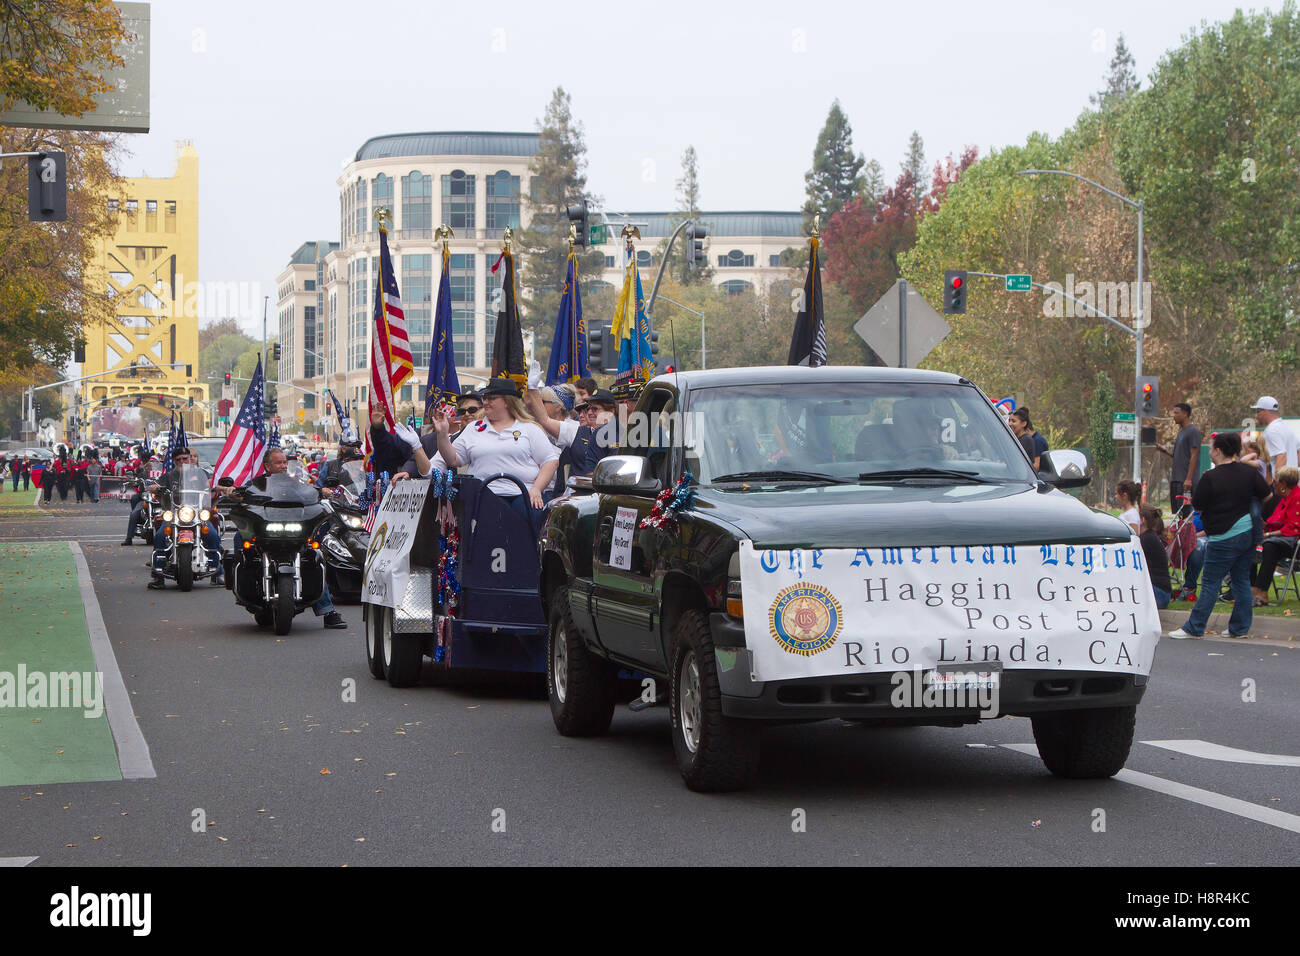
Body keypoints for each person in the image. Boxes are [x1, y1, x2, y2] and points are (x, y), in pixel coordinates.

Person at [1168, 431, 1271, 639]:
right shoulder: (1249, 473)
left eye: (1212, 447)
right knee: (1241, 580)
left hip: (1222, 536)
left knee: (1210, 582)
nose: (1211, 451)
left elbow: (1198, 506)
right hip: (1248, 533)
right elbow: (1267, 495)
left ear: (1217, 451)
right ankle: (1239, 628)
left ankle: (1194, 627)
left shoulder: (1210, 477)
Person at [432, 377, 558, 520]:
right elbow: (453, 459)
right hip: (484, 494)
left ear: (507, 401)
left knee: (533, 514)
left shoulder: (528, 428)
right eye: (485, 398)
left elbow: (550, 461)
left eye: (491, 398)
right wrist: (442, 434)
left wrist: (537, 489)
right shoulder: (474, 428)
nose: (485, 402)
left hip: (523, 492)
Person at [146, 447, 224, 589]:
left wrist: (221, 487)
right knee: (159, 536)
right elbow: (153, 485)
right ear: (174, 461)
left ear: (189, 459)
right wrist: (154, 488)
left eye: (184, 458)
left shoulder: (200, 473)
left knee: (212, 535)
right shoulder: (169, 476)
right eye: (178, 459)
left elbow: (212, 482)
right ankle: (157, 577)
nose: (182, 461)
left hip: (197, 514)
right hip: (175, 514)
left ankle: (217, 573)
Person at [1250, 466, 1300, 606]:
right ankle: (1251, 587)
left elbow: (1293, 527)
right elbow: (1277, 522)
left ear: (1283, 484)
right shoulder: (1284, 499)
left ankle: (1261, 592)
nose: (1274, 483)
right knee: (1251, 543)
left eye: (1276, 481)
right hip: (1282, 540)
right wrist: (1264, 525)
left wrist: (1267, 534)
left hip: (1294, 542)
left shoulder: (1297, 498)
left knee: (1270, 546)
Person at [1158, 402, 1201, 515]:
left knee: (1186, 514)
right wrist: (1165, 451)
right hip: (1176, 479)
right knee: (1179, 515)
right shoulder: (1181, 432)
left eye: (1176, 413)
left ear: (1185, 414)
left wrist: (1188, 479)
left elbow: (1194, 455)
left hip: (1185, 482)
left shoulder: (1193, 431)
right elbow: (1180, 455)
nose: (1174, 415)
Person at [1251, 396, 1299, 479]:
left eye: (1258, 412)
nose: (1257, 415)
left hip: (1283, 484)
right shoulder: (1285, 427)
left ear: (1264, 411)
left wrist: (1278, 481)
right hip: (1291, 482)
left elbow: (1281, 455)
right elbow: (1298, 452)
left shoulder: (1271, 430)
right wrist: (1292, 473)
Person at [1139, 505, 1172, 609]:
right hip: (1162, 593)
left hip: (1158, 594)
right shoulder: (1150, 536)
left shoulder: (1146, 539)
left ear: (1142, 519)